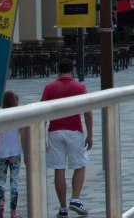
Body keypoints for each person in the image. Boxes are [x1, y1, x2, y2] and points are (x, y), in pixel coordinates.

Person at [41, 58, 93, 218]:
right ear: (72, 70)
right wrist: (90, 134)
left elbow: (41, 112)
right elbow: (87, 111)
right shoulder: (79, 87)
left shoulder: (49, 88)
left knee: (59, 168)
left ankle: (63, 208)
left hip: (55, 130)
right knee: (79, 164)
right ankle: (75, 199)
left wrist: (42, 136)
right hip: (74, 129)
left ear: (58, 71)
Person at [0, 90, 26, 218]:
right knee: (14, 182)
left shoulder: (0, 116)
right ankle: (14, 212)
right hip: (15, 153)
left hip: (2, 153)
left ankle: (1, 204)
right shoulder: (18, 116)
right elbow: (23, 134)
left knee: (1, 180)